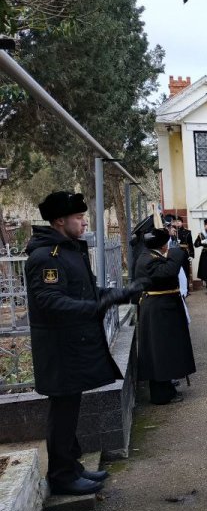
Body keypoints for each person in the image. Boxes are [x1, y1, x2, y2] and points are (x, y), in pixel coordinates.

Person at [25, 191, 139, 495]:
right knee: (62, 411)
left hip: (73, 343)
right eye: (78, 217)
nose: (84, 221)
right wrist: (95, 307)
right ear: (60, 221)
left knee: (70, 408)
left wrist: (119, 294)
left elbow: (85, 291)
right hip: (59, 347)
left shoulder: (69, 251)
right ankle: (61, 475)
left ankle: (72, 466)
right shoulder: (46, 256)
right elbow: (50, 300)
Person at [133, 223, 196, 404]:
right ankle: (161, 395)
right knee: (159, 351)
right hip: (158, 310)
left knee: (165, 350)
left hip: (162, 308)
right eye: (167, 243)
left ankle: (166, 388)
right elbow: (168, 272)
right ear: (162, 245)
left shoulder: (150, 255)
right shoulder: (148, 259)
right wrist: (177, 252)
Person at [174, 216, 194, 291]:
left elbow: (190, 244)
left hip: (184, 252)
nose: (177, 223)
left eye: (179, 221)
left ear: (182, 222)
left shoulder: (187, 232)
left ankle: (186, 288)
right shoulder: (173, 231)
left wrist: (191, 255)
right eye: (176, 222)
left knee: (185, 270)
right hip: (175, 252)